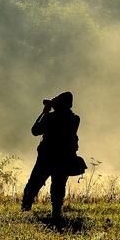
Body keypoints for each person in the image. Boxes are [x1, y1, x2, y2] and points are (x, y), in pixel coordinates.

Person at [20, 91, 82, 219]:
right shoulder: (75, 119)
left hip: (47, 158)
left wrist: (44, 112)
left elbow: (35, 130)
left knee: (32, 185)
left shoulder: (50, 118)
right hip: (64, 158)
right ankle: (56, 213)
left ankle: (25, 210)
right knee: (58, 186)